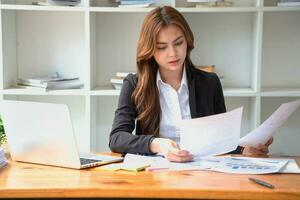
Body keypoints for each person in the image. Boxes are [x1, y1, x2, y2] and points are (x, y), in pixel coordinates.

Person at [109, 6, 273, 162]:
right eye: (162, 47)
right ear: (150, 50)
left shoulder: (210, 82)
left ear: (187, 41)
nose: (173, 53)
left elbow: (220, 141)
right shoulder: (135, 84)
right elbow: (117, 138)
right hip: (155, 174)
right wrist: (157, 144)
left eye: (178, 43)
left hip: (202, 173)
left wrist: (244, 149)